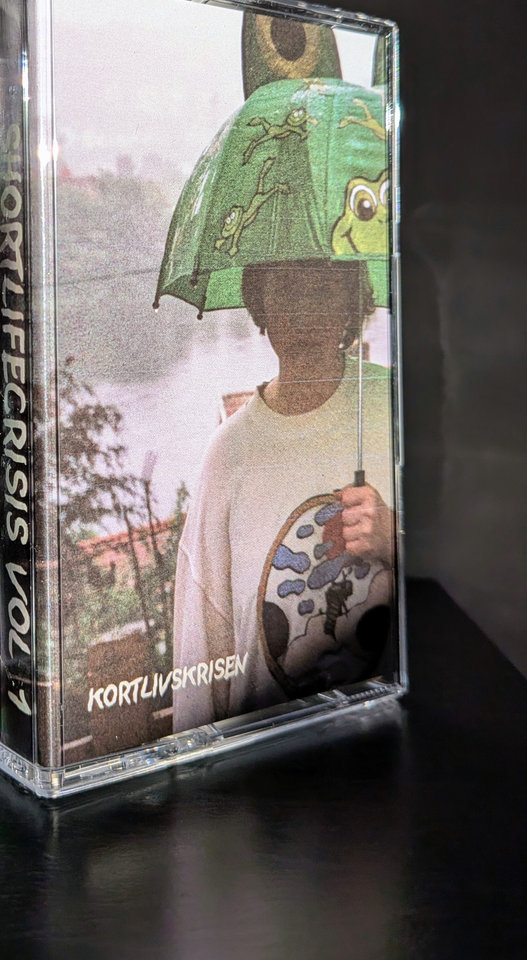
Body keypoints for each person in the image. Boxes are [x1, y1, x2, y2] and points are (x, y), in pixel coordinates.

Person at [172, 257, 396, 730]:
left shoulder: (394, 403)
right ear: (261, 306)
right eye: (286, 293)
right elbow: (202, 642)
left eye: (322, 292)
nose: (305, 316)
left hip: (387, 728)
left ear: (349, 302)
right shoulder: (229, 454)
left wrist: (396, 538)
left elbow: (476, 578)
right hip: (268, 749)